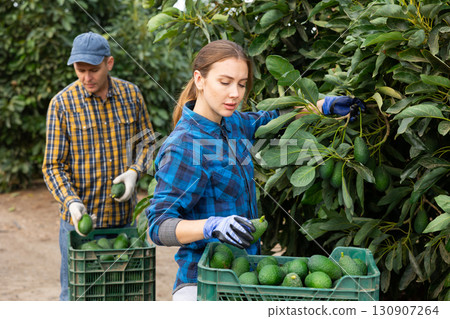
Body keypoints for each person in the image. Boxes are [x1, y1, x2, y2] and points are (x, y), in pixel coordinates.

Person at [145, 40, 364, 301]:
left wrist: (323, 106)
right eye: (225, 83)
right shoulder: (182, 146)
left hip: (245, 278)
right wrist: (212, 227)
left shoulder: (233, 123)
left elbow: (274, 118)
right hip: (203, 283)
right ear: (200, 80)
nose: (235, 94)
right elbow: (158, 226)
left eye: (241, 83)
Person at [42, 32, 154, 301]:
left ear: (109, 63)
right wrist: (71, 202)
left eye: (94, 70)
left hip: (122, 221)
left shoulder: (131, 95)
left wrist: (134, 171)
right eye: (80, 71)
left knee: (124, 293)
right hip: (79, 224)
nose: (86, 78)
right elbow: (53, 165)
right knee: (76, 295)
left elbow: (148, 143)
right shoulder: (62, 104)